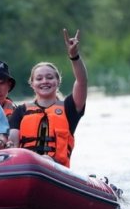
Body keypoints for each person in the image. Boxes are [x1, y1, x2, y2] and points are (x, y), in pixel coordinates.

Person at [8, 29, 86, 167]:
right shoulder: (21, 111)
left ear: (58, 82)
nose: (44, 81)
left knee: (46, 160)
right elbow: (13, 140)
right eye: (39, 78)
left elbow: (81, 81)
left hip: (56, 169)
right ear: (32, 84)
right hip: (25, 167)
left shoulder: (69, 108)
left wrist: (74, 56)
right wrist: (7, 144)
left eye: (49, 77)